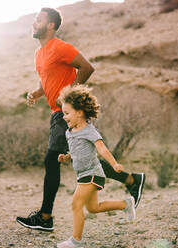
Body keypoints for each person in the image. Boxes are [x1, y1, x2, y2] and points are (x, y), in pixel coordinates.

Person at [16, 7, 145, 232]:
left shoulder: (60, 47)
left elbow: (87, 67)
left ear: (50, 25)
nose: (33, 23)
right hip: (57, 113)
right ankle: (132, 180)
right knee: (84, 158)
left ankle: (45, 217)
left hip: (65, 113)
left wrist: (70, 97)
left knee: (51, 160)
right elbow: (45, 79)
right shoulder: (39, 53)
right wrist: (37, 93)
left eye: (38, 20)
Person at [55, 85, 135, 248]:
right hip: (82, 174)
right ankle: (126, 204)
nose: (64, 117)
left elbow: (102, 149)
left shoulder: (89, 130)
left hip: (92, 173)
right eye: (63, 113)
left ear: (80, 112)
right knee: (93, 208)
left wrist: (114, 164)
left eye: (67, 113)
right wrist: (67, 157)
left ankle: (76, 241)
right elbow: (77, 150)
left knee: (76, 204)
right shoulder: (70, 131)